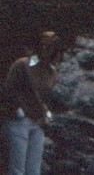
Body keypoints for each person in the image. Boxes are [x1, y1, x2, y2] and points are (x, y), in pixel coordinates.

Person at [1, 31, 62, 175]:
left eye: (51, 47)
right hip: (18, 122)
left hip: (38, 124)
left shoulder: (52, 72)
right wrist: (17, 110)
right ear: (38, 46)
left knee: (34, 170)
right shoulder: (22, 64)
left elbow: (46, 99)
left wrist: (47, 114)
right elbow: (7, 91)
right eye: (43, 45)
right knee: (17, 169)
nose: (46, 49)